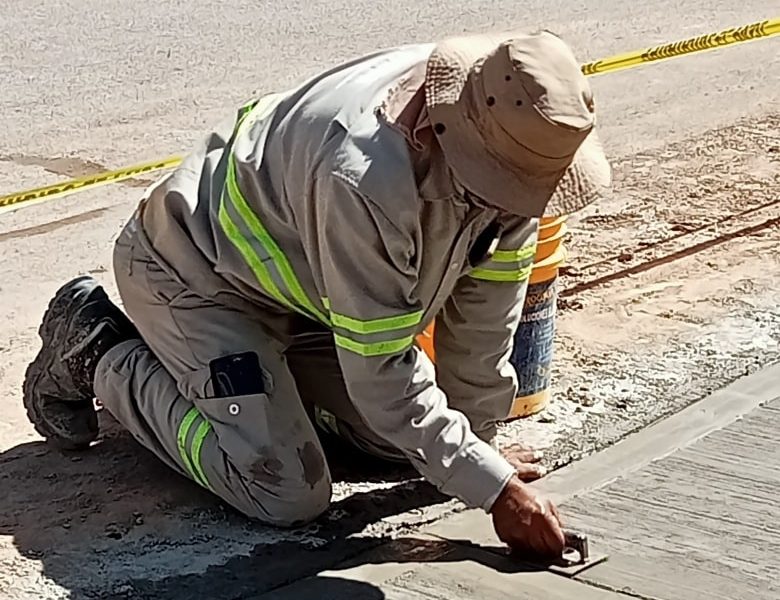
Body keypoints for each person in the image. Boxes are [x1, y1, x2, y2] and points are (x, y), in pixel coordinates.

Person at [23, 29, 610, 558]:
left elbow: (483, 331)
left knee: (406, 448)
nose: (515, 203)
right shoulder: (367, 179)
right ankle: (101, 349)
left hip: (309, 297)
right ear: (451, 138)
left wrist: (480, 457)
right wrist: (493, 490)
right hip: (195, 276)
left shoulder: (519, 126)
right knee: (283, 489)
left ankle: (257, 396)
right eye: (502, 188)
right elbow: (382, 373)